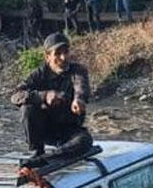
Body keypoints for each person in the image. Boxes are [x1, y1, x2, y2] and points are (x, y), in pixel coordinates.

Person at [11, 32, 92, 166]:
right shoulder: (39, 74)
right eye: (58, 53)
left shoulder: (78, 70)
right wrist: (44, 96)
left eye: (66, 52)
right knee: (27, 108)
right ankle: (37, 150)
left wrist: (79, 100)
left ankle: (44, 161)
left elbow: (81, 86)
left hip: (69, 129)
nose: (63, 57)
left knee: (85, 141)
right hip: (45, 129)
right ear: (47, 57)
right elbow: (15, 95)